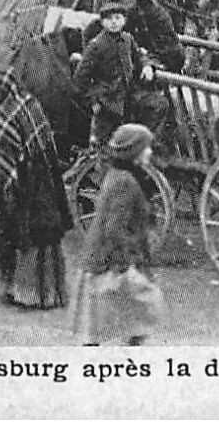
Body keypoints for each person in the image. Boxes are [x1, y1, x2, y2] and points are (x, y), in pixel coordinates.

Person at [0, 67, 71, 311]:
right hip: (44, 180)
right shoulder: (30, 104)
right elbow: (44, 141)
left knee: (19, 234)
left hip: (24, 184)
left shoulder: (3, 112)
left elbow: (0, 157)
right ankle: (46, 293)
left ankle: (23, 291)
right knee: (42, 236)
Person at [72, 123, 164, 346]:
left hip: (107, 259)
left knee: (114, 320)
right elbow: (114, 228)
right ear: (134, 152)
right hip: (111, 261)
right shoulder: (126, 182)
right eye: (146, 148)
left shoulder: (117, 175)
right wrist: (126, 264)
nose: (150, 153)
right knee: (141, 308)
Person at [75, 2, 163, 144]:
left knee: (158, 104)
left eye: (118, 18)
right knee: (102, 142)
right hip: (107, 100)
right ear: (103, 22)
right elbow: (80, 78)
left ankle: (138, 145)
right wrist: (93, 101)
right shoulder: (96, 45)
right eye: (109, 19)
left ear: (124, 20)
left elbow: (139, 55)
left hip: (128, 94)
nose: (114, 22)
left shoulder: (127, 39)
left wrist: (146, 65)